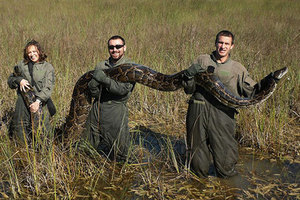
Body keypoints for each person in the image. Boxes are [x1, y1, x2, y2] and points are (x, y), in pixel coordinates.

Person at [182, 30, 257, 178]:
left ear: (232, 46)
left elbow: (253, 93)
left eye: (226, 44)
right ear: (216, 43)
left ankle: (227, 189)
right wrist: (188, 75)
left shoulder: (237, 68)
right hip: (198, 110)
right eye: (220, 42)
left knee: (226, 162)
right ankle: (199, 188)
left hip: (222, 115)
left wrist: (269, 83)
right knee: (197, 160)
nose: (223, 46)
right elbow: (188, 89)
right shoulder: (202, 60)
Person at [83, 35, 135, 162]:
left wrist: (105, 80)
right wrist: (93, 86)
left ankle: (120, 175)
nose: (115, 50)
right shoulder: (101, 65)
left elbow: (122, 90)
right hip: (98, 107)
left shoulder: (130, 67)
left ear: (124, 48)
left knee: (120, 153)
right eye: (111, 47)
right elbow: (95, 94)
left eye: (118, 46)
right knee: (86, 146)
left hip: (116, 108)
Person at [7, 39, 55, 143]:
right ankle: (23, 151)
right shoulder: (21, 65)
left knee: (43, 131)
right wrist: (19, 80)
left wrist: (38, 102)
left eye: (34, 51)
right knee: (20, 127)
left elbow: (48, 87)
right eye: (29, 52)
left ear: (39, 51)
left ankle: (43, 154)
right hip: (22, 101)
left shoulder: (47, 67)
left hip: (41, 101)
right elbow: (10, 80)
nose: (32, 54)